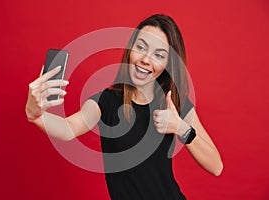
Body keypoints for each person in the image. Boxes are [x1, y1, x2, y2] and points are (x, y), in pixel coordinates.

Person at [25, 14, 223, 199]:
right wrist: (35, 115)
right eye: (141, 47)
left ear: (167, 64)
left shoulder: (173, 103)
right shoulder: (107, 101)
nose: (146, 59)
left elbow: (216, 166)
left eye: (159, 55)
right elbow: (67, 128)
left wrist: (180, 128)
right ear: (131, 49)